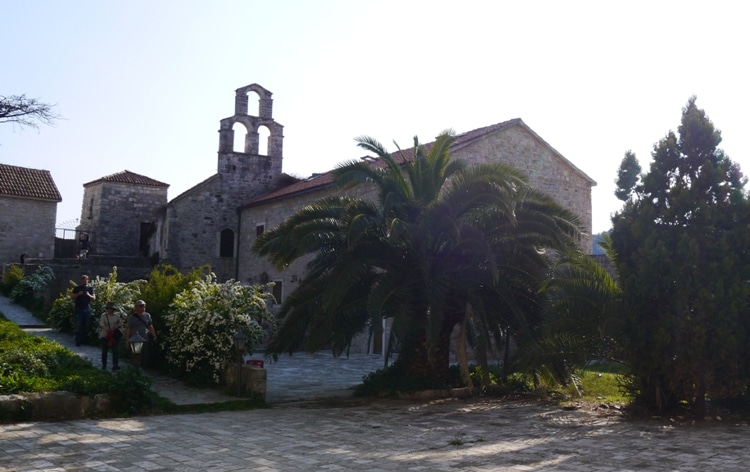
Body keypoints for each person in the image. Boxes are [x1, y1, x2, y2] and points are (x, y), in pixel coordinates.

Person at [125, 300, 157, 366]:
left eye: (144, 306)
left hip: (145, 338)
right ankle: (136, 370)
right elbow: (129, 329)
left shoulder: (147, 315)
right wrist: (127, 340)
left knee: (145, 355)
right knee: (136, 355)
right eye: (141, 306)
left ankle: (144, 370)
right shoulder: (132, 317)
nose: (143, 307)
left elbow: (150, 326)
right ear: (136, 307)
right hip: (135, 340)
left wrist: (154, 335)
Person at [71, 275, 95, 346]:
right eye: (83, 280)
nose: (84, 281)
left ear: (88, 280)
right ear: (81, 280)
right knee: (78, 325)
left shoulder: (90, 288)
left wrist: (88, 295)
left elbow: (94, 298)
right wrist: (78, 294)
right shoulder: (77, 288)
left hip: (87, 309)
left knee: (86, 325)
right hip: (78, 308)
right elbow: (72, 297)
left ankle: (84, 340)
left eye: (86, 280)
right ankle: (78, 340)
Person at [99, 301, 122, 371]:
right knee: (104, 351)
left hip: (114, 335)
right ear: (107, 308)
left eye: (112, 308)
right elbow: (101, 324)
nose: (111, 309)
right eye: (110, 308)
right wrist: (107, 329)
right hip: (105, 335)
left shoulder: (116, 316)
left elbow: (120, 324)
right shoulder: (103, 315)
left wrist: (116, 327)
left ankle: (115, 364)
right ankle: (104, 364)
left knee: (115, 350)